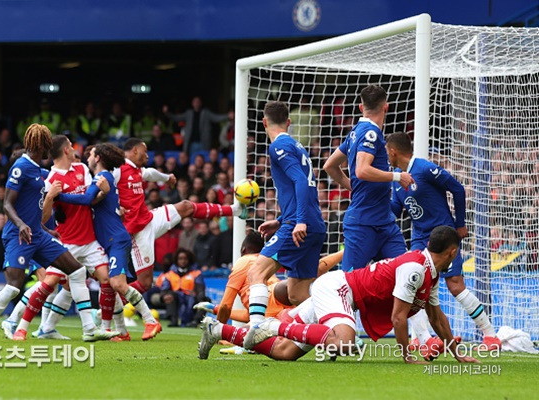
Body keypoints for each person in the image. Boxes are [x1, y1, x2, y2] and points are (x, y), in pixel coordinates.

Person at [200, 226, 479, 365]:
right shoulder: (415, 270)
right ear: (453, 252)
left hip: (339, 294)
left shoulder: (429, 272)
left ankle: (218, 330)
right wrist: (407, 354)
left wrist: (457, 355)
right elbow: (398, 317)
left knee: (285, 353)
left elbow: (437, 318)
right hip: (338, 289)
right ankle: (271, 324)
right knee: (345, 343)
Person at [0, 123, 118, 343]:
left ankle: (89, 329)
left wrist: (46, 229)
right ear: (43, 145)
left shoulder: (39, 171)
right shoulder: (21, 167)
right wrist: (20, 225)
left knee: (76, 272)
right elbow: (7, 205)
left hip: (38, 234)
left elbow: (34, 206)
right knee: (12, 287)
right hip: (19, 235)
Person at [386, 132, 501, 350]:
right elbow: (395, 210)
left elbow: (457, 189)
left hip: (444, 234)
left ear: (393, 151)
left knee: (455, 286)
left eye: (387, 153)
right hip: (420, 239)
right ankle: (423, 339)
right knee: (414, 287)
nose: (387, 157)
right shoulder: (396, 179)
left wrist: (460, 224)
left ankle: (490, 336)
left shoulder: (425, 169)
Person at [53, 143, 162, 341]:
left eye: (91, 154)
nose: (87, 158)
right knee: (110, 284)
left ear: (98, 158)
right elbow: (92, 200)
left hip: (116, 239)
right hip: (108, 239)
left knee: (117, 283)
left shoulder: (104, 177)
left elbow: (86, 199)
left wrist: (58, 196)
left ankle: (150, 320)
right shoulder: (101, 179)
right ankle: (119, 331)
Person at [114, 138, 247, 294]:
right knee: (145, 283)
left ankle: (234, 210)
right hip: (138, 233)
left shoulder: (137, 169)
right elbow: (105, 188)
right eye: (145, 152)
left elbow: (150, 173)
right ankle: (113, 305)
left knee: (186, 206)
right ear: (135, 150)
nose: (147, 156)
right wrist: (116, 207)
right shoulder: (117, 169)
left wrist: (167, 177)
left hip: (150, 219)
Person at [246, 101, 326, 327]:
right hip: (313, 225)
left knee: (256, 274)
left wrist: (297, 221)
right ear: (288, 122)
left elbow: (300, 181)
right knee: (298, 295)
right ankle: (337, 330)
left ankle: (255, 333)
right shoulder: (297, 146)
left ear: (264, 122)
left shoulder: (278, 147)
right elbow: (305, 185)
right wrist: (281, 220)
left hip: (299, 226)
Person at [323, 85, 414, 273]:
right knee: (349, 283)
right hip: (363, 224)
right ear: (386, 107)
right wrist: (397, 176)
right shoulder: (370, 133)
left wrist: (352, 186)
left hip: (384, 222)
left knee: (406, 273)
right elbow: (362, 170)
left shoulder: (355, 132)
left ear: (360, 107)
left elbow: (329, 166)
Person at [154, 248, 205, 327]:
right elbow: (164, 289)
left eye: (185, 259)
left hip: (191, 298)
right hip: (176, 298)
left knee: (204, 300)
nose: (183, 261)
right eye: (180, 259)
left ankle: (195, 321)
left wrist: (198, 294)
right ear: (176, 260)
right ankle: (173, 320)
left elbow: (200, 288)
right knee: (170, 295)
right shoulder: (170, 274)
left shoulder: (196, 273)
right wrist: (164, 296)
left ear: (189, 260)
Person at [163, 96, 230, 155]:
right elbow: (177, 118)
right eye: (195, 101)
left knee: (204, 159)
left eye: (198, 101)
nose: (196, 103)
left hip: (203, 142)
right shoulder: (188, 113)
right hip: (191, 143)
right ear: (192, 103)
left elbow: (216, 118)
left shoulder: (206, 113)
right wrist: (167, 113)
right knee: (192, 160)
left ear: (201, 103)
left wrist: (227, 116)